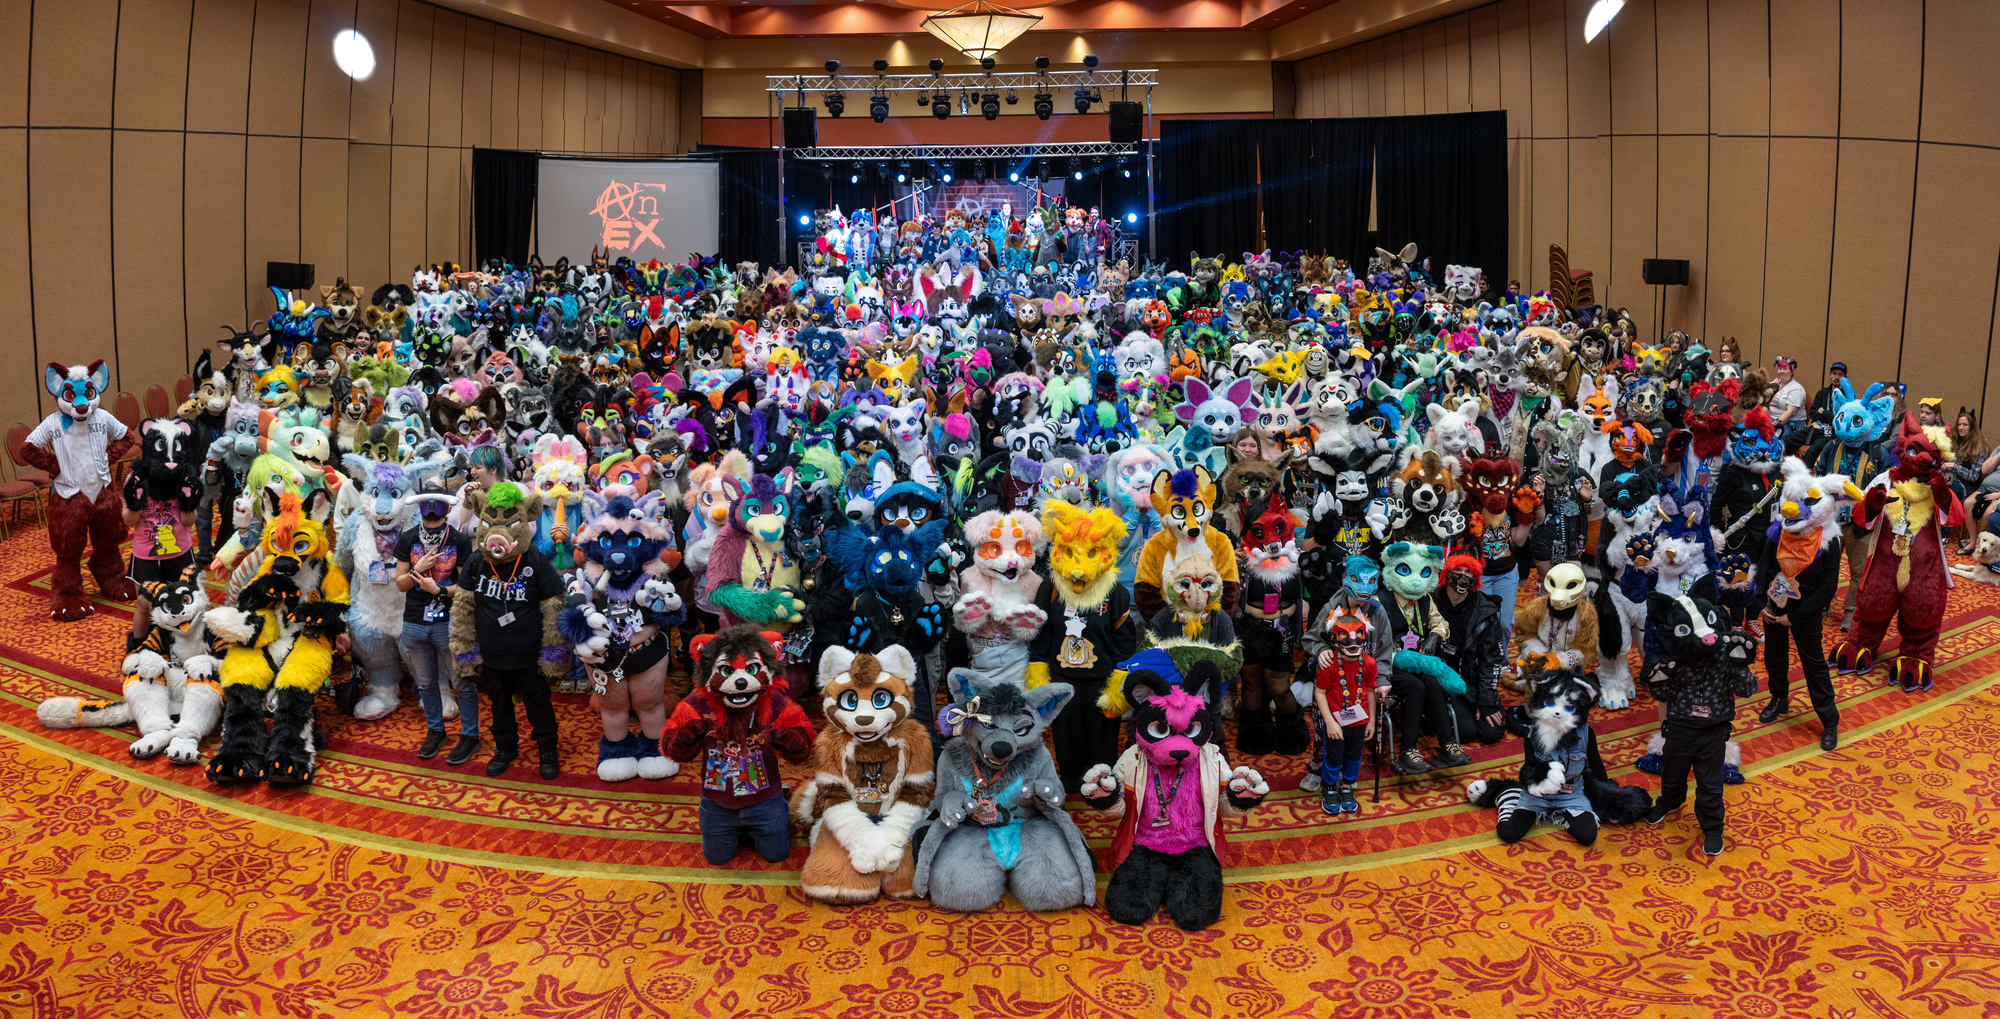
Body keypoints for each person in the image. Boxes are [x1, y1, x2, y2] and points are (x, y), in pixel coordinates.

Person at [396, 482, 478, 764]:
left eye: (436, 506)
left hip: (449, 622)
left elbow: (467, 585)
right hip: (415, 622)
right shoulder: (407, 539)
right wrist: (416, 570)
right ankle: (435, 730)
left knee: (462, 681)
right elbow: (400, 583)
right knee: (426, 683)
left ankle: (470, 735)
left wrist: (440, 590)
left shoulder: (458, 540)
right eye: (426, 506)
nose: (431, 514)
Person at [1805, 362, 1847, 452]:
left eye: (1840, 374)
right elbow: (1812, 413)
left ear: (1845, 378)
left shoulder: (1847, 397)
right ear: (1830, 375)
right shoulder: (1822, 393)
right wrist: (1829, 417)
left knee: (1813, 450)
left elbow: (1841, 419)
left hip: (1832, 433)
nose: (1836, 377)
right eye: (1834, 373)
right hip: (1816, 428)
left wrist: (1823, 412)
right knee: (1789, 440)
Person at [1769, 357, 1807, 442]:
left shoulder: (1796, 389)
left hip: (1790, 425)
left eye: (1785, 369)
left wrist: (1774, 425)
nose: (1782, 371)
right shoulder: (1772, 384)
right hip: (1771, 421)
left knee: (1772, 442)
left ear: (1792, 371)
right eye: (1780, 369)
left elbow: (1791, 412)